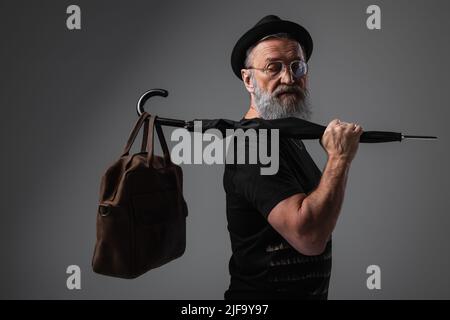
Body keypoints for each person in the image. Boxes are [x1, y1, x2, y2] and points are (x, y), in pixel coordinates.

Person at [223, 15, 363, 300]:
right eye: (273, 68)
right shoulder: (253, 144)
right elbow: (309, 237)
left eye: (296, 67)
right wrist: (339, 158)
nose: (288, 78)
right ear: (248, 79)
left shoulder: (287, 139)